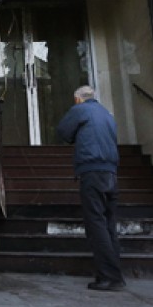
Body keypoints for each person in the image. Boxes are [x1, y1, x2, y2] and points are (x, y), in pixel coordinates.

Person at [56, 85, 126, 292]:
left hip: (92, 172)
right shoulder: (107, 114)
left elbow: (63, 132)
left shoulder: (80, 110)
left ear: (77, 99)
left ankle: (108, 277)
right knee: (108, 224)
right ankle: (116, 275)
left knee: (96, 224)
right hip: (111, 173)